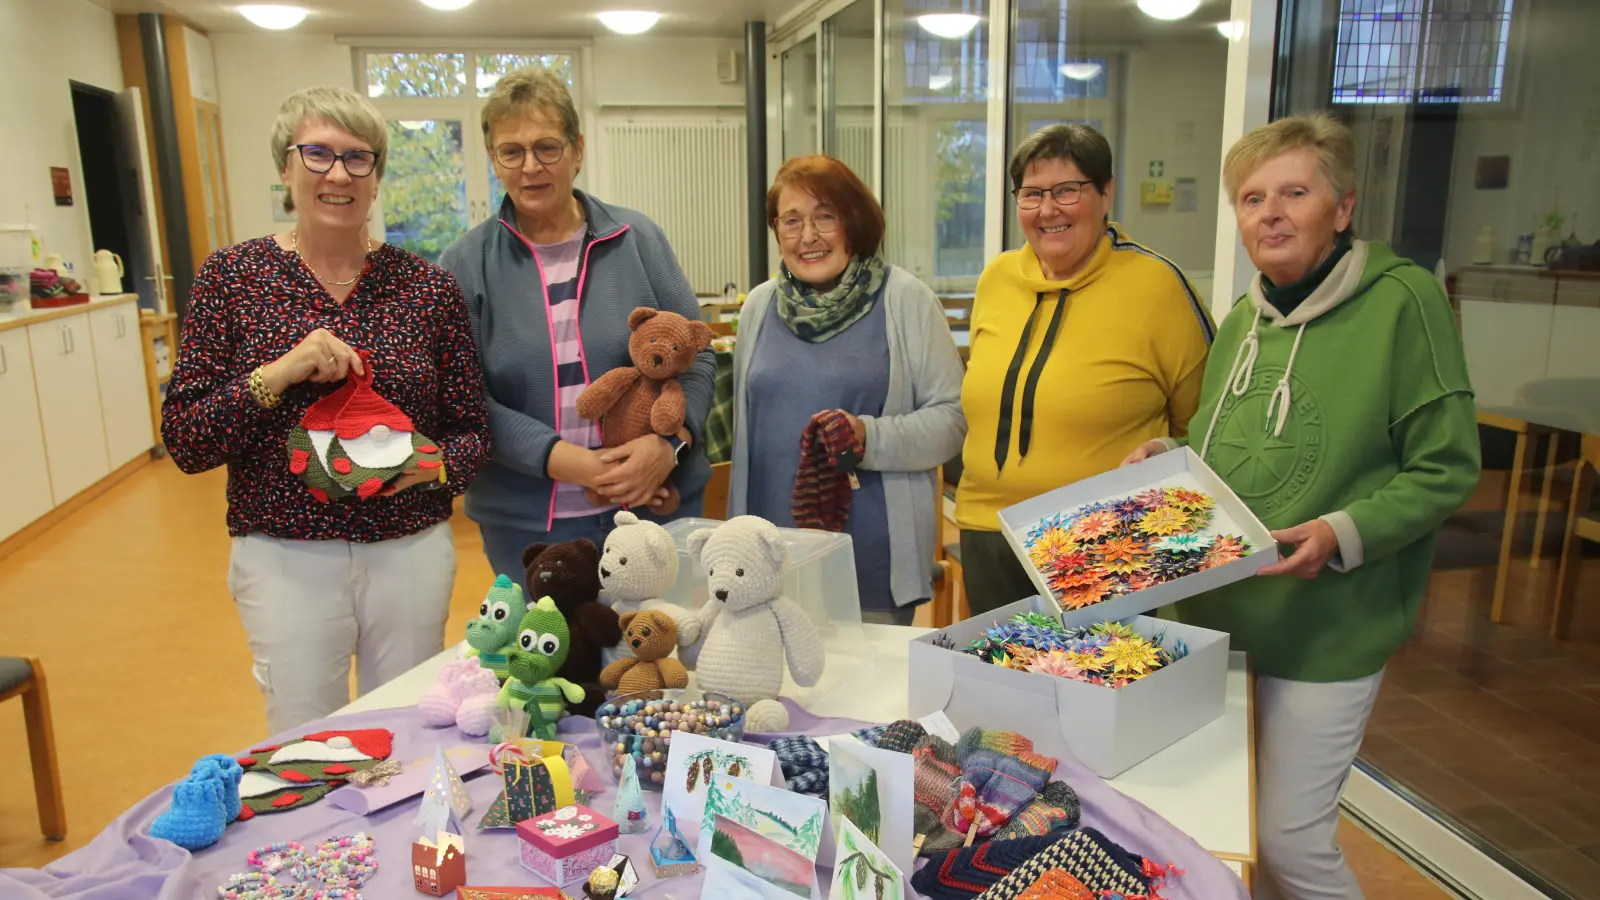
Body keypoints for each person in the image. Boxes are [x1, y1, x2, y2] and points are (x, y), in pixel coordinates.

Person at [1125, 114, 1480, 900]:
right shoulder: (1242, 319)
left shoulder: (1404, 302)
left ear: (1343, 208)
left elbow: (1449, 467)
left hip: (1330, 626)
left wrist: (1340, 531)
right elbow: (1231, 448)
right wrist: (1169, 456)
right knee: (1218, 825)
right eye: (1253, 198)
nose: (1271, 213)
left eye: (1295, 191)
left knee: (1290, 841)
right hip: (1219, 621)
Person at [161, 86, 491, 734]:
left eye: (357, 158)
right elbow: (187, 439)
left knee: (408, 725)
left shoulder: (428, 288)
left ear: (376, 179)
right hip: (284, 553)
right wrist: (277, 375)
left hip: (409, 549)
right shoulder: (232, 278)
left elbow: (473, 433)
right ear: (286, 170)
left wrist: (434, 467)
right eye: (317, 154)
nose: (338, 174)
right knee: (305, 738)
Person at [438, 69, 715, 584]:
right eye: (511, 152)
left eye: (547, 147)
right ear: (493, 159)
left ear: (577, 149)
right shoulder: (464, 263)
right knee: (548, 658)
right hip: (526, 527)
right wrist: (565, 461)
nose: (530, 167)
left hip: (652, 508)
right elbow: (463, 401)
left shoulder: (638, 239)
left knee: (657, 658)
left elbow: (696, 357)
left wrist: (668, 445)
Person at [955, 124, 1214, 615]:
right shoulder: (997, 279)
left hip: (1102, 537)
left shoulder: (1158, 287)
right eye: (1031, 194)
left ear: (1106, 192)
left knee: (1093, 686)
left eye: (1067, 190)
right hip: (988, 528)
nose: (1048, 210)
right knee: (1005, 684)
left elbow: (1206, 425)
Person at [727, 155, 966, 626]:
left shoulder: (906, 300)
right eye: (791, 220)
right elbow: (745, 438)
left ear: (854, 222)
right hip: (766, 563)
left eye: (825, 217)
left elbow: (952, 421)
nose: (808, 236)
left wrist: (867, 437)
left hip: (873, 561)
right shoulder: (759, 305)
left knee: (863, 698)